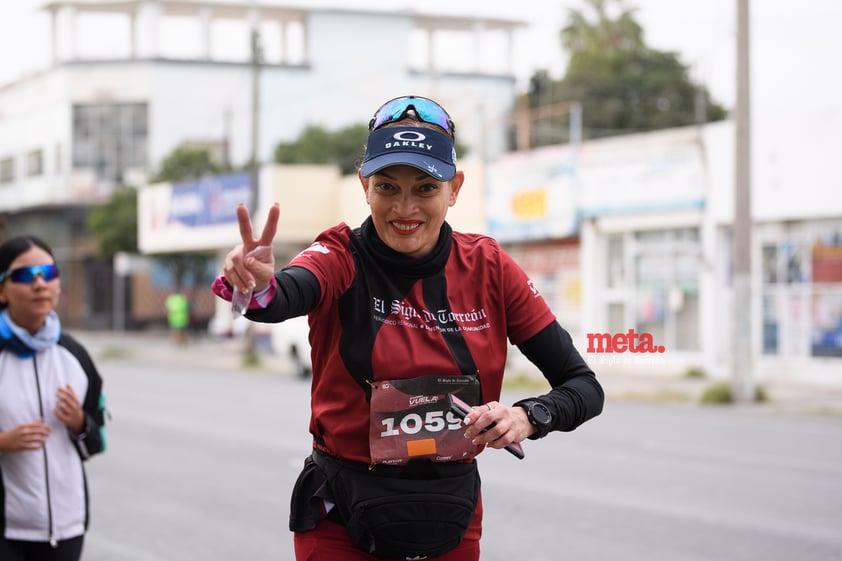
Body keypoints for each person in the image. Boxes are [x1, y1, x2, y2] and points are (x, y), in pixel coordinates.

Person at [212, 95, 604, 560]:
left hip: (449, 515)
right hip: (343, 512)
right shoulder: (340, 254)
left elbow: (583, 386)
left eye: (424, 188)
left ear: (454, 188)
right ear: (364, 185)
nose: (404, 208)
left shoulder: (489, 267)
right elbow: (285, 294)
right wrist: (256, 287)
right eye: (387, 187)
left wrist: (527, 417)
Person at [0, 235, 107, 561]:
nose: (39, 284)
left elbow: (97, 439)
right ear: (2, 290)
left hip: (66, 527)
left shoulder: (75, 356)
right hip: (6, 530)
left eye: (48, 273)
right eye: (23, 275)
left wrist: (79, 422)